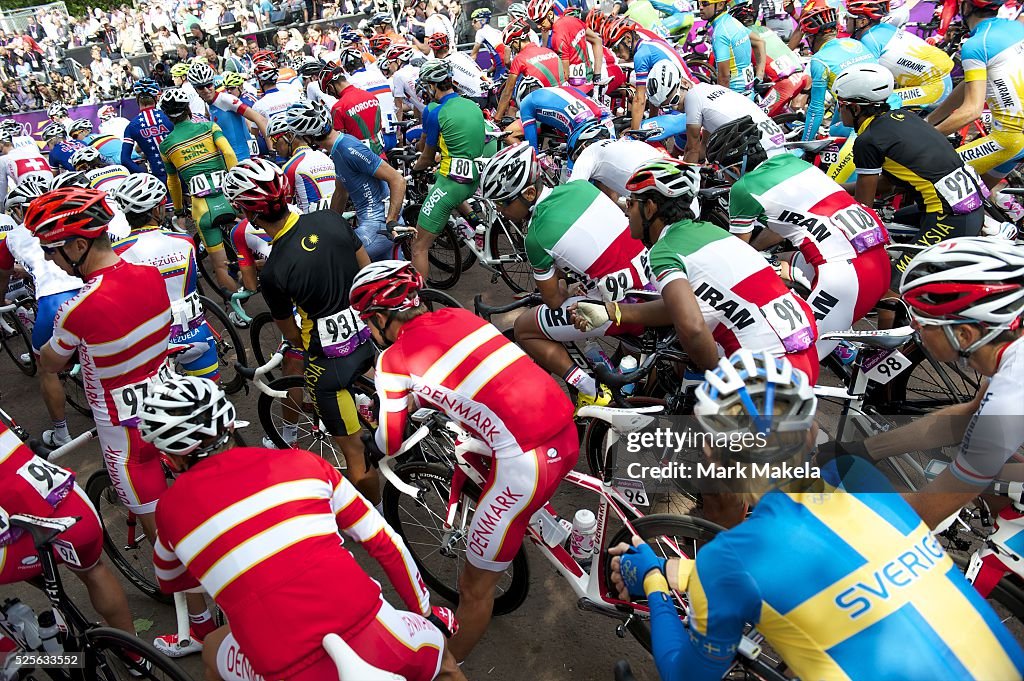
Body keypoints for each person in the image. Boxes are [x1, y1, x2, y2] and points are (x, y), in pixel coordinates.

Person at [608, 349, 1024, 681]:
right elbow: (826, 570)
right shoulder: (875, 494)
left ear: (713, 453)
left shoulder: (729, 559)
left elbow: (686, 673)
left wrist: (655, 582)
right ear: (810, 432)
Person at [141, 375, 464, 681]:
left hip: (281, 664)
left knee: (212, 647)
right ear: (229, 423)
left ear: (169, 456)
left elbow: (172, 581)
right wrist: (425, 612)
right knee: (444, 665)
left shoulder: (169, 511)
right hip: (374, 632)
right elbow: (385, 542)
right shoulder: (303, 464)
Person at [350, 260, 577, 663]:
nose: (370, 331)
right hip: (561, 424)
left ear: (382, 317)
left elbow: (389, 441)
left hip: (526, 463)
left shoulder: (392, 361)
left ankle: (444, 670)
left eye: (369, 322)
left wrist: (373, 432)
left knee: (474, 589)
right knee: (475, 448)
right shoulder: (455, 314)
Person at [27, 187, 180, 631]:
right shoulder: (152, 274)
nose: (51, 260)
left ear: (78, 246)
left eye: (52, 250)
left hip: (126, 435)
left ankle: (193, 614)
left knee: (163, 538)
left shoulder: (78, 308)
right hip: (168, 405)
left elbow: (51, 362)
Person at [824, 237, 1024, 528]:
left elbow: (922, 515)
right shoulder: (1010, 345)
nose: (914, 327)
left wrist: (823, 506)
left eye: (922, 321)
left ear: (965, 335)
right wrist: (865, 449)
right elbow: (966, 418)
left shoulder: (1009, 396)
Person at [574, 159, 820, 386]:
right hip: (801, 349)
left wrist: (716, 378)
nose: (627, 212)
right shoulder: (711, 230)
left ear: (649, 208)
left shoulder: (663, 251)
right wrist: (613, 311)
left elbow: (692, 326)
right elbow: (680, 307)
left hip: (765, 361)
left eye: (630, 203)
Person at [221, 158, 381, 503]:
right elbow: (368, 272)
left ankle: (379, 517)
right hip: (368, 339)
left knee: (355, 457)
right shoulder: (330, 219)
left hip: (328, 364)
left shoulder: (275, 269)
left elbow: (291, 334)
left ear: (251, 215)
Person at [479, 142, 654, 408]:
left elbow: (552, 299)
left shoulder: (536, 235)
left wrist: (565, 290)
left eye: (503, 203)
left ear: (527, 193)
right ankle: (622, 372)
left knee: (526, 327)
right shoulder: (581, 186)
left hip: (624, 309)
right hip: (651, 288)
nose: (500, 211)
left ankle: (590, 389)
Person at [704, 114, 891, 359]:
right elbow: (786, 222)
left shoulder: (743, 188)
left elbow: (738, 258)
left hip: (845, 276)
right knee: (787, 264)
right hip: (875, 258)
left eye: (723, 172)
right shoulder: (793, 163)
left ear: (736, 168)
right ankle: (850, 355)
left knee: (793, 353)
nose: (724, 179)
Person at [833, 63, 985, 295]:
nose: (838, 109)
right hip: (967, 208)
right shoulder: (903, 116)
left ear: (855, 108)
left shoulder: (868, 140)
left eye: (841, 104)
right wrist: (836, 188)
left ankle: (895, 330)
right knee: (898, 221)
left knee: (891, 288)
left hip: (949, 217)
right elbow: (889, 182)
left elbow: (864, 207)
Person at [0, 420, 139, 639]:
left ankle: (17, 659)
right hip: (71, 500)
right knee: (94, 570)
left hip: (27, 535)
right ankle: (136, 655)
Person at [0, 176, 81, 448]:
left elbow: (3, 276)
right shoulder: (68, 218)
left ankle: (61, 434)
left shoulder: (13, 236)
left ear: (20, 210)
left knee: (46, 368)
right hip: (87, 287)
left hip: (52, 300)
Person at [928, 0, 1024, 213]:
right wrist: (929, 121)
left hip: (1008, 139)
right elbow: (968, 85)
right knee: (978, 198)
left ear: (967, 7)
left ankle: (994, 231)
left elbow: (971, 111)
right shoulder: (1016, 27)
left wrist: (924, 137)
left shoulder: (977, 43)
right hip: (1015, 140)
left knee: (932, 177)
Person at [286, 100, 407, 260]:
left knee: (331, 260)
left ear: (308, 138)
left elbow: (398, 180)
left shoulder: (347, 149)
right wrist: (328, 226)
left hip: (379, 227)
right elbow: (340, 193)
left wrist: (391, 221)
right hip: (372, 225)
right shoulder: (337, 149)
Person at [159, 87, 239, 297]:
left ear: (168, 116)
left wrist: (178, 211)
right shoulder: (209, 127)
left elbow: (173, 181)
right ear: (188, 109)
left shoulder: (166, 145)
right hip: (229, 197)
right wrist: (237, 185)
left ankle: (237, 310)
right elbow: (229, 153)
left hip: (202, 208)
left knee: (220, 265)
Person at [411, 60, 486, 278]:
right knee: (446, 184)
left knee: (418, 246)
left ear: (433, 86)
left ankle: (419, 302)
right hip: (473, 176)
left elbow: (425, 157)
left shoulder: (436, 113)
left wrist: (414, 170)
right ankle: (474, 221)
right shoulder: (472, 105)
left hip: (452, 183)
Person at [847, 0, 954, 109]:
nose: (845, 21)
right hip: (938, 76)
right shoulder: (885, 27)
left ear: (862, 22)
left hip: (935, 87)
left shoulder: (869, 40)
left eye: (848, 17)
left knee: (880, 105)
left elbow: (867, 77)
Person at [187, 62, 268, 163]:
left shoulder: (226, 100)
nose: (206, 90)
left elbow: (259, 119)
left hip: (243, 158)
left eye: (209, 85)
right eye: (201, 87)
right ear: (195, 89)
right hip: (227, 160)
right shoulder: (208, 103)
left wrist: (272, 150)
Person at [567, 121, 666, 201]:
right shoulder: (618, 142)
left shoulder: (588, 152)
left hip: (650, 187)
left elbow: (573, 189)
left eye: (575, 158)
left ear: (582, 146)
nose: (576, 161)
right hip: (666, 166)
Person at [264, 112, 336, 214]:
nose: (274, 146)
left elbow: (285, 206)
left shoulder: (291, 166)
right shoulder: (325, 157)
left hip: (311, 224)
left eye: (274, 139)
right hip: (336, 217)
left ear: (289, 136)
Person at [494, 19, 566, 118]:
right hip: (564, 100)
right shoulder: (549, 51)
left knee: (510, 132)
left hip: (547, 108)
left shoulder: (519, 58)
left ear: (516, 42)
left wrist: (497, 118)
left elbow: (507, 92)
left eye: (511, 46)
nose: (513, 49)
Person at [513, 78, 608, 154]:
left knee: (574, 175)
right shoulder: (557, 90)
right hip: (606, 115)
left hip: (583, 124)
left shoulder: (525, 103)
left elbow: (532, 148)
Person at [527, 0, 603, 92]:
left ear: (550, 14)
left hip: (575, 90)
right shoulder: (574, 20)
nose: (538, 26)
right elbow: (597, 40)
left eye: (540, 21)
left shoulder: (557, 36)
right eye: (536, 22)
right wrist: (597, 75)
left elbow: (565, 75)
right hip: (589, 83)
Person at [319, 64, 386, 155]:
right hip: (381, 154)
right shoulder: (370, 96)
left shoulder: (338, 108)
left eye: (329, 93)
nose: (333, 96)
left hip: (360, 160)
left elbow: (338, 143)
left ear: (331, 87)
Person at [700, 0, 763, 93]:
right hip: (749, 90)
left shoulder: (720, 33)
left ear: (720, 5)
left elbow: (724, 78)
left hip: (735, 94)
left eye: (705, 3)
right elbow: (759, 41)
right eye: (699, 3)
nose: (700, 7)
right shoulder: (733, 21)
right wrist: (760, 75)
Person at [122, 78, 175, 186]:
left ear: (137, 98)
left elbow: (125, 159)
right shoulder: (170, 117)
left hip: (159, 179)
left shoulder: (132, 126)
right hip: (181, 173)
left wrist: (146, 175)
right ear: (156, 98)